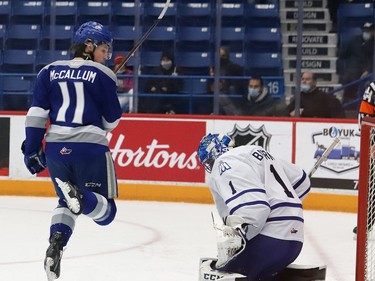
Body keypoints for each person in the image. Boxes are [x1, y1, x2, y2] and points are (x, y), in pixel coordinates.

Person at [22, 21, 122, 281]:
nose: (106, 56)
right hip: (90, 147)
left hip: (56, 149)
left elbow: (36, 114)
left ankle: (56, 243)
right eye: (103, 49)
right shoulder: (104, 75)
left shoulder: (48, 71)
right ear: (88, 45)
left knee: (65, 202)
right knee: (106, 213)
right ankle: (81, 197)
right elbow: (112, 121)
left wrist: (32, 150)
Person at [196, 133, 311, 280]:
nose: (211, 166)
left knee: (217, 273)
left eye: (210, 161)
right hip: (294, 243)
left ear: (217, 151)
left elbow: (255, 210)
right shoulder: (256, 153)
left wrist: (237, 240)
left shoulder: (224, 162)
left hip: (269, 241)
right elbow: (303, 182)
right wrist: (280, 201)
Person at [337, 22, 374, 106]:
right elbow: (342, 54)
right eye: (365, 31)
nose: (367, 33)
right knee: (349, 77)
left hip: (369, 70)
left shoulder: (373, 43)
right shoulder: (354, 41)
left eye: (369, 31)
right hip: (354, 69)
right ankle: (348, 104)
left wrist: (368, 70)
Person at [209, 46, 247, 115]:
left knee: (228, 92)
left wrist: (225, 84)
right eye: (219, 56)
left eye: (223, 56)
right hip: (219, 91)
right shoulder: (214, 68)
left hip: (230, 91)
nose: (221, 58)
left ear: (227, 56)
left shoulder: (234, 67)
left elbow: (239, 82)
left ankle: (235, 114)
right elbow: (211, 83)